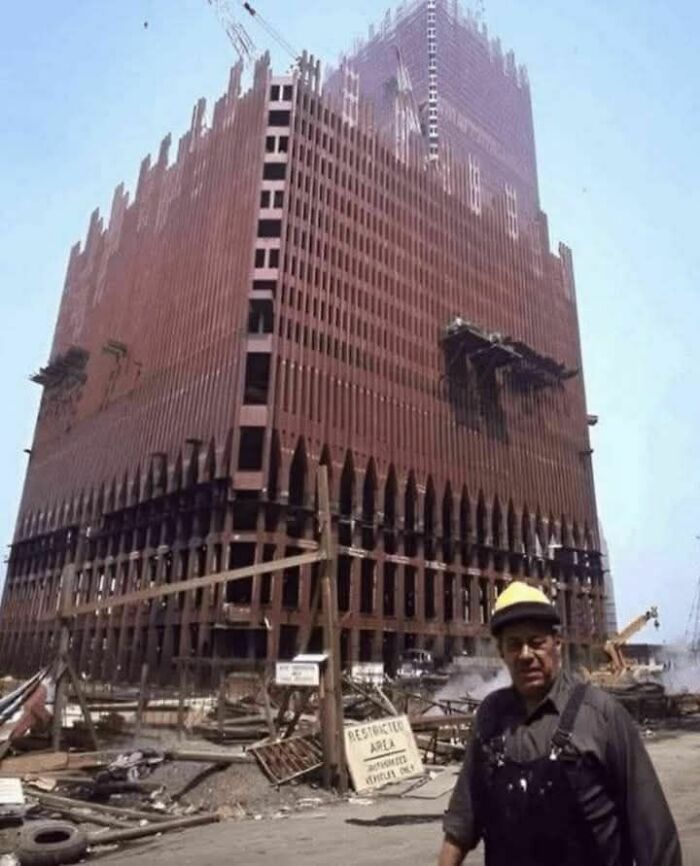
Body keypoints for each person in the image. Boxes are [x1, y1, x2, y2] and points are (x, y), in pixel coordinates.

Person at [438, 581, 682, 866]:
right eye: (514, 645)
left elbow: (654, 834)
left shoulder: (602, 715)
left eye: (536, 642)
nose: (526, 655)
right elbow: (461, 824)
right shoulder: (490, 717)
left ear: (557, 645)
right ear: (501, 652)